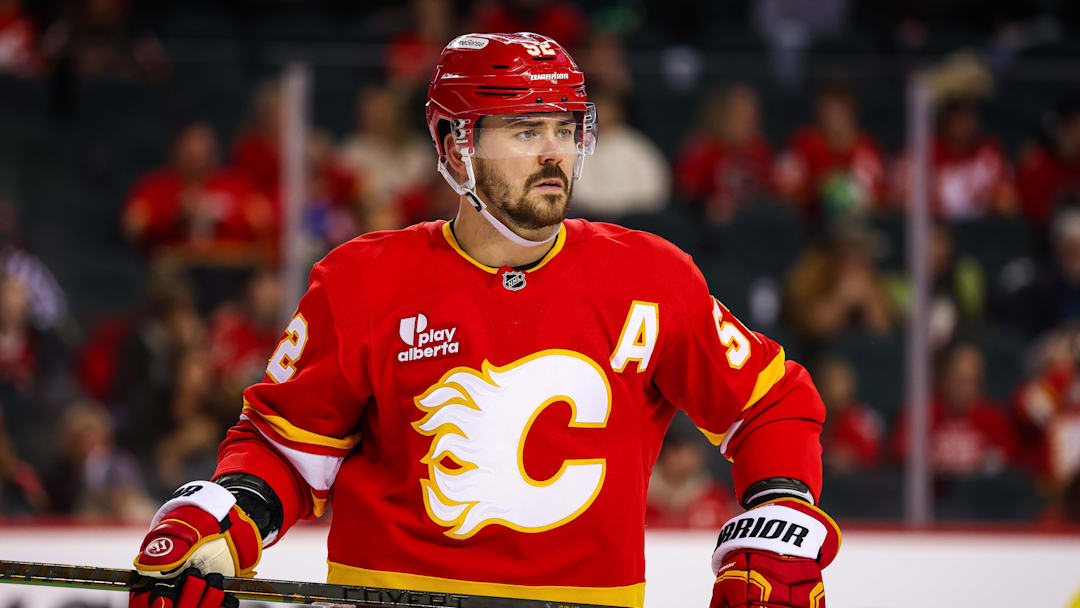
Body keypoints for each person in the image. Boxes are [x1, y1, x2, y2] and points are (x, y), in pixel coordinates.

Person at [128, 34, 839, 608]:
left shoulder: (649, 277)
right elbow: (287, 451)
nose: (554, 152)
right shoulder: (363, 280)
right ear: (452, 145)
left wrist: (776, 515)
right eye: (526, 130)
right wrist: (228, 510)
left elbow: (772, 403)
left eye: (564, 128)